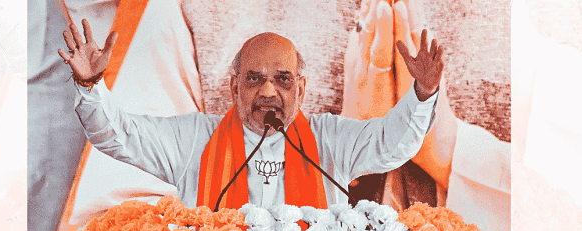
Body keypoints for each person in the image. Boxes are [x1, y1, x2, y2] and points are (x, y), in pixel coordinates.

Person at [58, 20, 444, 210]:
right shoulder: (195, 139)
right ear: (233, 88)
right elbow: (120, 135)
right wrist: (90, 86)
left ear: (302, 90)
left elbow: (390, 145)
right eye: (254, 79)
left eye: (283, 79)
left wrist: (423, 93)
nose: (268, 92)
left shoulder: (329, 141)